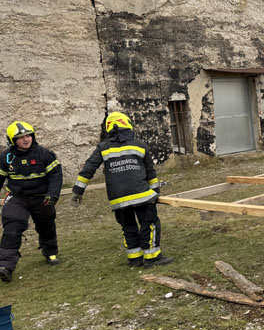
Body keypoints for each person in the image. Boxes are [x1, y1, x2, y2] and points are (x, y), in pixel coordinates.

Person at [71, 112, 173, 268]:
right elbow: (150, 171)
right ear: (128, 124)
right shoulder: (139, 144)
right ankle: (152, 257)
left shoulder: (103, 147)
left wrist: (78, 190)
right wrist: (155, 192)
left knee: (128, 226)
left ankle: (135, 258)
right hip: (142, 195)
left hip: (118, 199)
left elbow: (88, 168)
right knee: (149, 223)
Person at [0, 121, 63, 282]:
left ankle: (50, 252)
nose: (26, 139)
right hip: (17, 197)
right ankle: (6, 266)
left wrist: (52, 195)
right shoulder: (6, 157)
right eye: (20, 137)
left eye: (28, 136)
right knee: (12, 226)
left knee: (46, 225)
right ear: (12, 140)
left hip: (42, 197)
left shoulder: (45, 154)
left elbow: (55, 175)